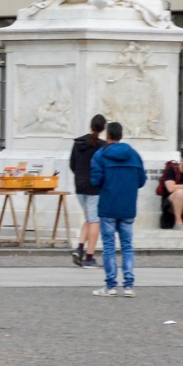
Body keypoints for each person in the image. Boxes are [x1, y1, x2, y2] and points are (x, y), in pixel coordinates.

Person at [85, 121, 144, 297]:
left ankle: (110, 286)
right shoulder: (133, 154)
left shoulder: (100, 155)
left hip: (108, 205)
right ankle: (128, 285)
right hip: (127, 205)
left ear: (107, 135)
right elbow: (141, 180)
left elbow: (95, 181)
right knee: (127, 246)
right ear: (121, 135)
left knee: (109, 246)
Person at [67, 113, 106, 268]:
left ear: (90, 125)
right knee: (95, 220)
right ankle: (89, 257)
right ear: (103, 129)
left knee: (89, 218)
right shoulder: (101, 146)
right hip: (94, 187)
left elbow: (72, 164)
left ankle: (80, 248)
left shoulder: (78, 143)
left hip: (79, 185)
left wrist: (79, 175)